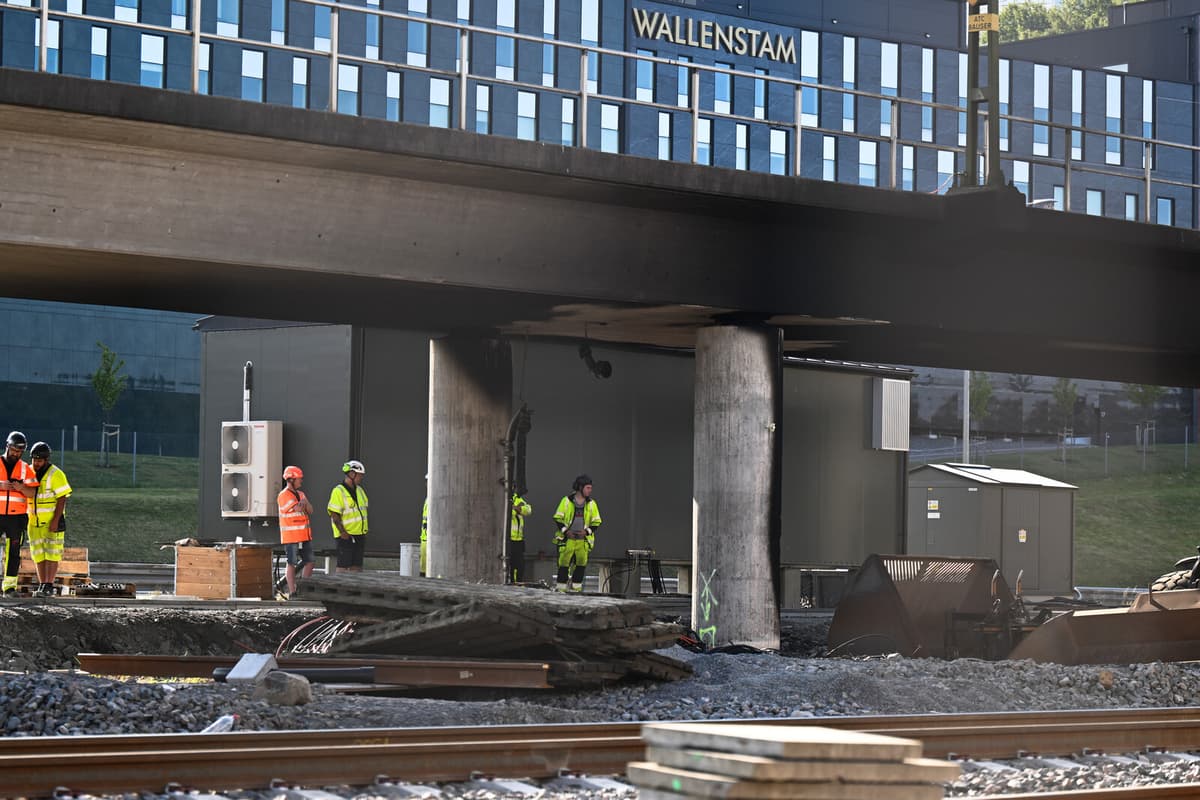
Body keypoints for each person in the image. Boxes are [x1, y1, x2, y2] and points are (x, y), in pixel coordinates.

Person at [27, 442, 71, 598]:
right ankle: (42, 584)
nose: (36, 463)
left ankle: (49, 584)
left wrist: (55, 520)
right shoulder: (29, 472)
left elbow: (62, 497)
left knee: (52, 554)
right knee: (38, 554)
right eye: (34, 459)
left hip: (52, 522)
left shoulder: (56, 474)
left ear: (46, 459)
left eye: (39, 460)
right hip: (34, 522)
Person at [0, 432, 37, 598]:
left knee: (14, 552)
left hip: (16, 518)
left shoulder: (25, 469)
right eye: (14, 450)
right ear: (7, 446)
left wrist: (21, 488)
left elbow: (32, 492)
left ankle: (9, 587)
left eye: (20, 451)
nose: (16, 454)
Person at [552, 474, 601, 593]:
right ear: (580, 487)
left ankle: (576, 591)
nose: (590, 490)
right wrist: (566, 531)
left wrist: (586, 532)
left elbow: (597, 521)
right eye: (588, 488)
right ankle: (561, 591)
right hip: (567, 540)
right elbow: (558, 518)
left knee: (580, 566)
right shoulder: (566, 501)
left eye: (590, 488)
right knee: (563, 565)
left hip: (582, 541)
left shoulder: (591, 504)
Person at [277, 465, 314, 595]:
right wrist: (302, 504)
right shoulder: (283, 495)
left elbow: (310, 509)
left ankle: (304, 589)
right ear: (291, 479)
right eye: (299, 478)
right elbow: (298, 508)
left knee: (310, 561)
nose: (301, 481)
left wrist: (303, 504)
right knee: (291, 563)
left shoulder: (301, 494)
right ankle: (293, 592)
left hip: (304, 535)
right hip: (291, 536)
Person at [328, 460, 368, 573]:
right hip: (346, 536)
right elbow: (334, 514)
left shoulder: (360, 491)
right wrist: (342, 532)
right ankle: (341, 588)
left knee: (357, 565)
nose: (361, 478)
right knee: (343, 566)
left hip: (359, 534)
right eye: (360, 475)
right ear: (352, 474)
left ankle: (355, 589)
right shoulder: (338, 491)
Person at [509, 486, 532, 583]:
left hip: (518, 539)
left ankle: (518, 584)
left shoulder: (517, 499)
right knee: (510, 565)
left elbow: (528, 510)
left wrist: (516, 508)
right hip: (508, 539)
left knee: (520, 566)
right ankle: (511, 584)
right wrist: (517, 508)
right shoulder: (504, 498)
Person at [420, 473, 428, 577]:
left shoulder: (436, 499)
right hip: (424, 540)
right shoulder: (427, 499)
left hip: (431, 542)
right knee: (423, 570)